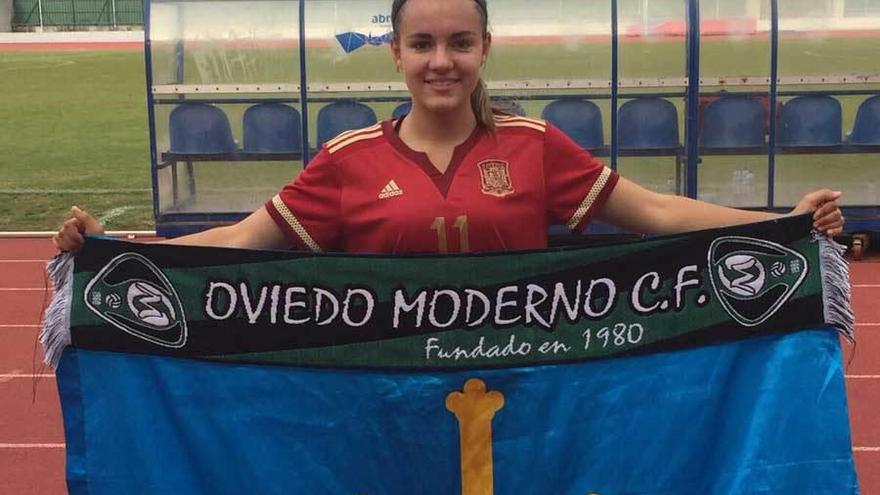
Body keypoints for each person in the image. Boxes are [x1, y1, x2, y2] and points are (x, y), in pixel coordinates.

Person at [53, 0, 844, 254]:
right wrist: (118, 249)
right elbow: (240, 240)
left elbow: (660, 213)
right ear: (395, 54)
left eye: (459, 43)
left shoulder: (533, 145)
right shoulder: (346, 159)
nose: (442, 61)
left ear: (484, 49)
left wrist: (783, 220)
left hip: (521, 381)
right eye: (423, 44)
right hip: (385, 391)